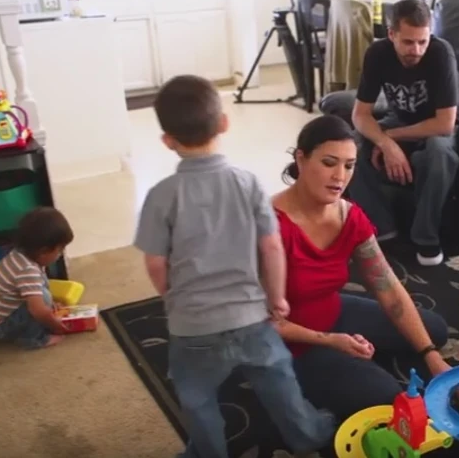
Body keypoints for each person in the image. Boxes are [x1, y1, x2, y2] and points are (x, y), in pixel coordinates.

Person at [133, 75, 334, 458]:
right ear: (224, 123)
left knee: (197, 397)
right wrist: (277, 297)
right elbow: (271, 246)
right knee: (277, 375)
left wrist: (171, 297)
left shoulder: (160, 196)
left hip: (193, 326)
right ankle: (306, 434)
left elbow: (155, 261)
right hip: (250, 317)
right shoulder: (249, 184)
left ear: (168, 140)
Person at [271, 114, 453, 421]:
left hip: (332, 312)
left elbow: (388, 286)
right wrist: (330, 341)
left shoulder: (349, 216)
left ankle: (356, 356)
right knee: (387, 401)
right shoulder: (267, 226)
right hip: (289, 342)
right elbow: (259, 322)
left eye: (349, 165)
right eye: (329, 163)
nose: (339, 177)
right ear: (301, 159)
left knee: (434, 332)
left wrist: (430, 355)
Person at [348, 0, 459, 266]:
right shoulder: (377, 53)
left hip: (436, 127)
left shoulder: (441, 53)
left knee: (437, 152)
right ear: (391, 34)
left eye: (423, 41)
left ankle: (426, 239)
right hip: (399, 120)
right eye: (409, 42)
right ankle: (383, 230)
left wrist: (390, 138)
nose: (417, 50)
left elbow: (445, 124)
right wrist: (385, 143)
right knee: (351, 145)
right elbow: (360, 114)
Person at [0, 206, 74, 349]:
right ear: (43, 251)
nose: (60, 254)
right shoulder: (27, 269)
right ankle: (35, 339)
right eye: (59, 250)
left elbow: (37, 286)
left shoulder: (23, 255)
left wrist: (52, 306)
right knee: (43, 299)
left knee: (43, 296)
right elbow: (38, 311)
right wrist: (55, 324)